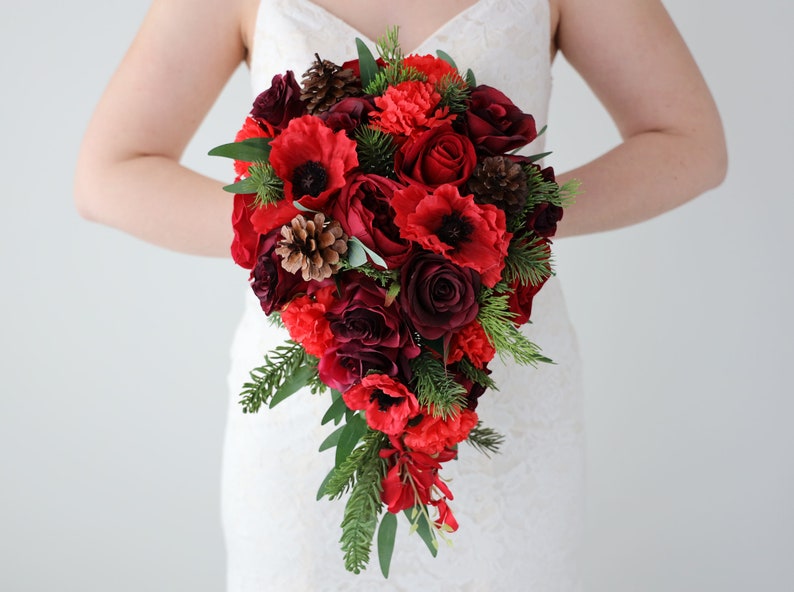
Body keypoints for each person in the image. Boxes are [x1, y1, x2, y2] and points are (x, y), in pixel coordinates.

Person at [74, 0, 726, 590]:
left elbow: (690, 143)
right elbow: (110, 172)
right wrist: (305, 235)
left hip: (503, 393)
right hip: (306, 405)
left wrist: (514, 215)